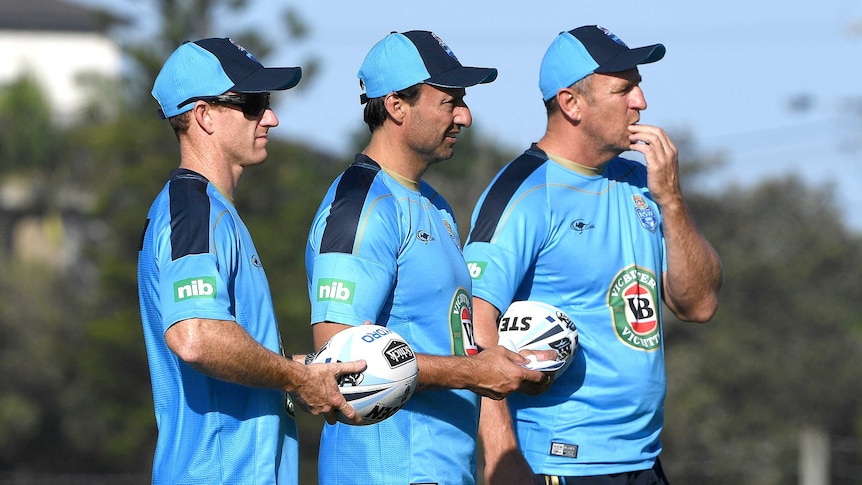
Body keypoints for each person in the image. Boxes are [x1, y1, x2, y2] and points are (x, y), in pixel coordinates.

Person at [463, 25, 724, 484]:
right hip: (558, 463)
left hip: (643, 460)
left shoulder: (642, 182)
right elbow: (473, 327)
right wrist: (502, 457)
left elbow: (698, 304)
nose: (640, 101)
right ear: (572, 103)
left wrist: (673, 199)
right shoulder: (524, 193)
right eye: (623, 89)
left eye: (638, 87)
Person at [305, 30, 555, 485]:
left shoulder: (433, 203)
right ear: (397, 105)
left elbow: (444, 339)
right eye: (449, 101)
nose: (466, 115)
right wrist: (474, 373)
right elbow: (337, 360)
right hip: (387, 473)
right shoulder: (362, 206)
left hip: (440, 470)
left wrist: (509, 361)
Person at [138, 37, 366, 485]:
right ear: (203, 115)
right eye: (254, 104)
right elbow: (196, 336)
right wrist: (296, 379)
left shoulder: (210, 210)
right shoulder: (193, 209)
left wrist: (313, 372)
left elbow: (229, 345)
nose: (272, 117)